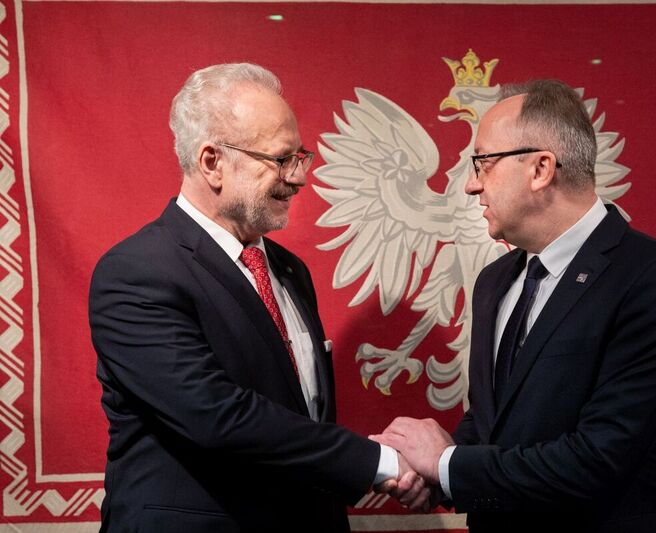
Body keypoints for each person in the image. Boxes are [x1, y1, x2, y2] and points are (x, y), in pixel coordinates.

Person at [89, 63, 425, 533]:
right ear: (212, 162)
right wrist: (381, 463)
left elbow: (300, 413)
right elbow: (215, 415)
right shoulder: (137, 272)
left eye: (300, 157)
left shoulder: (288, 269)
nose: (299, 177)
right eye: (280, 159)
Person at [373, 79, 656, 532]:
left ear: (541, 168)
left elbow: (599, 457)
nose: (471, 185)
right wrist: (435, 476)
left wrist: (447, 465)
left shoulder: (654, 279)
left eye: (483, 163)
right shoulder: (495, 281)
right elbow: (497, 419)